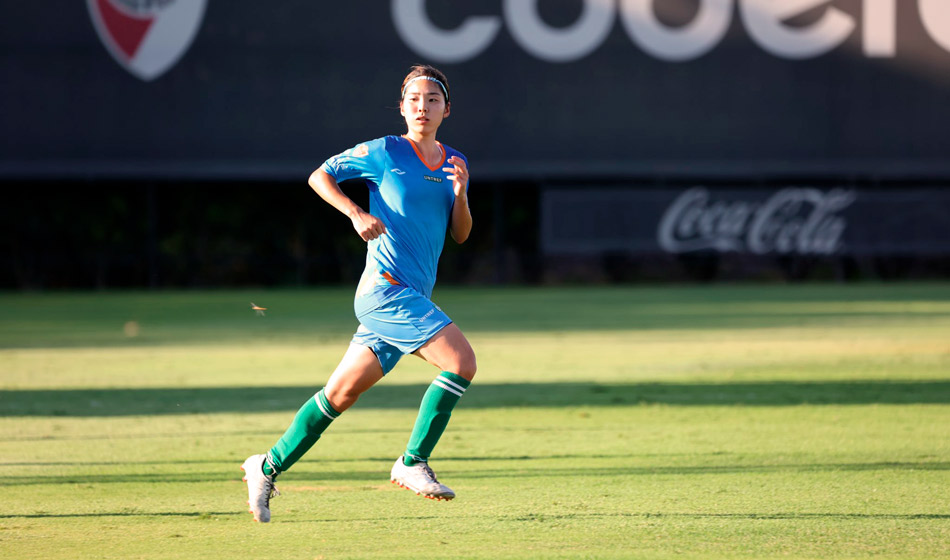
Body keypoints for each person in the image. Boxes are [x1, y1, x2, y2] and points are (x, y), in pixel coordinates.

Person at [241, 64, 476, 522]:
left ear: (447, 109)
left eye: (432, 100)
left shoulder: (454, 162)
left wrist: (462, 194)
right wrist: (353, 211)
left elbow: (461, 235)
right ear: (402, 107)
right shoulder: (384, 151)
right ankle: (412, 463)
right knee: (461, 362)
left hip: (410, 296)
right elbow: (320, 175)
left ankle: (264, 466)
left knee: (339, 395)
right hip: (384, 292)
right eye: (414, 99)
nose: (422, 107)